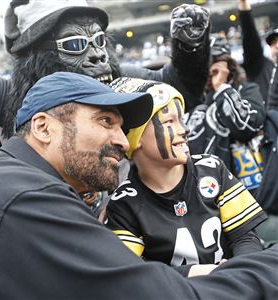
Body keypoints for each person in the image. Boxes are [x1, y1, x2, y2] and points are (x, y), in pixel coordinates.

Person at [0, 71, 277, 300]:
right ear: (44, 127)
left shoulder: (5, 178)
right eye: (105, 121)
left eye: (123, 128)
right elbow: (156, 294)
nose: (123, 141)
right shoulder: (32, 199)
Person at [0, 0, 211, 159]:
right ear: (33, 58)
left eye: (99, 40)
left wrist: (189, 49)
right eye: (74, 44)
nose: (98, 55)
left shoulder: (118, 82)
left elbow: (179, 88)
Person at [105, 77, 267, 278]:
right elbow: (131, 275)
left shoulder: (212, 168)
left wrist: (241, 273)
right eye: (169, 121)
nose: (184, 129)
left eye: (181, 119)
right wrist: (199, 272)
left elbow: (244, 237)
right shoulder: (124, 204)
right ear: (135, 139)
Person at [186, 35, 266, 194]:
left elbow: (247, 127)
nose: (207, 70)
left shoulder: (246, 90)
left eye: (212, 62)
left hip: (248, 193)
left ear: (228, 65)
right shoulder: (191, 100)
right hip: (205, 192)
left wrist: (221, 88)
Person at [238, 0, 278, 108]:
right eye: (274, 42)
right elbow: (250, 39)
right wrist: (244, 7)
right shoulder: (260, 65)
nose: (277, 45)